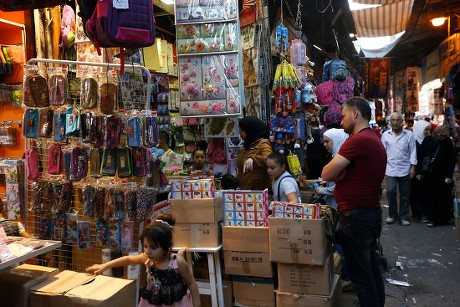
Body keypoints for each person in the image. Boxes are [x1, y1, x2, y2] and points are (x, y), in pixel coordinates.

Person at [322, 97, 386, 307]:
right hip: (366, 214)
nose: (340, 122)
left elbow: (326, 172)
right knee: (370, 269)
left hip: (356, 216)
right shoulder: (372, 138)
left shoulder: (358, 140)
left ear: (355, 113)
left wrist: (338, 175)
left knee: (361, 274)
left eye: (343, 116)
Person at [86, 220, 200, 307]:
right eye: (145, 246)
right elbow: (128, 260)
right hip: (152, 302)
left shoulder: (177, 262)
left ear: (166, 248)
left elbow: (192, 284)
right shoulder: (147, 259)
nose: (147, 251)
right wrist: (104, 266)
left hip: (175, 303)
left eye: (153, 247)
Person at [381, 112, 417, 226]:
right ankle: (392, 215)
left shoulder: (409, 135)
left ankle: (404, 216)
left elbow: (413, 151)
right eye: (393, 120)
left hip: (405, 169)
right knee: (391, 191)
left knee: (405, 194)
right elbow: (382, 153)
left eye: (398, 120)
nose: (395, 122)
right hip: (390, 169)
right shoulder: (385, 135)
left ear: (402, 122)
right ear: (390, 122)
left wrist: (413, 167)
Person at [422, 125, 456, 227]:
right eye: (441, 135)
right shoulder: (428, 140)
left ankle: (442, 218)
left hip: (442, 174)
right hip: (429, 173)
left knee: (442, 196)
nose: (442, 137)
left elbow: (451, 160)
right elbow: (422, 155)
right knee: (431, 196)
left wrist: (449, 175)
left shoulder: (447, 142)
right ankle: (433, 218)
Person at [316, 128, 349, 209]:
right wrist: (327, 180)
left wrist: (322, 190)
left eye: (327, 141)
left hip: (339, 205)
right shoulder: (337, 156)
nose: (324, 145)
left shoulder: (342, 160)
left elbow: (342, 186)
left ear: (337, 140)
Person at [236, 116, 272, 190]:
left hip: (258, 192)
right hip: (245, 190)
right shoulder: (246, 146)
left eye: (242, 130)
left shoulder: (263, 144)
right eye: (240, 130)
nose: (240, 133)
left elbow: (269, 159)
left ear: (250, 130)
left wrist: (253, 158)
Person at [411, 120, 432, 222]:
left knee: (424, 192)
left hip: (426, 171)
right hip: (416, 170)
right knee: (417, 193)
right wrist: (417, 172)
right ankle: (419, 213)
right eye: (426, 130)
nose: (428, 132)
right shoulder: (413, 141)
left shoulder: (428, 140)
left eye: (429, 130)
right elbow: (414, 158)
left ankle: (423, 212)